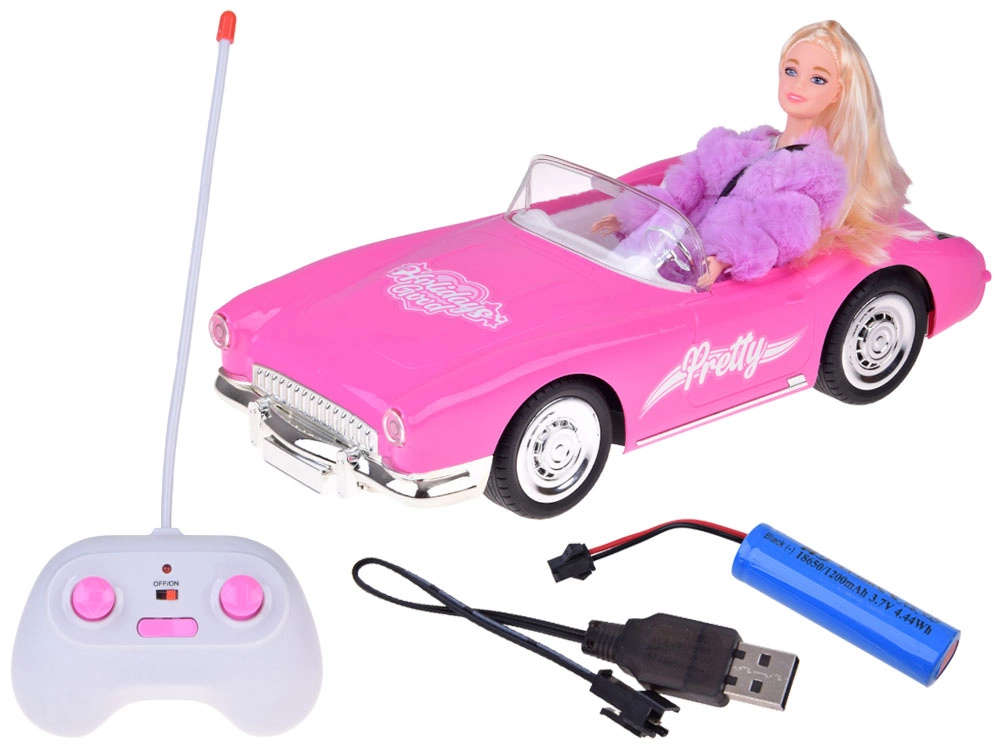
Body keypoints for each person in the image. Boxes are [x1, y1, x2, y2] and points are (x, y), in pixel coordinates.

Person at [594, 20, 912, 289]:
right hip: (659, 254)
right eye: (791, 70)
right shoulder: (750, 143)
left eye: (818, 79)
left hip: (703, 278)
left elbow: (786, 228)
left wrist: (725, 257)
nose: (798, 85)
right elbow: (691, 180)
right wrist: (637, 215)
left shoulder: (817, 173)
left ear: (837, 93)